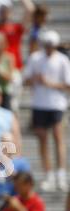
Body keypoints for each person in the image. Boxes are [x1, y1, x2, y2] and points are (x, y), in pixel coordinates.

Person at [24, 30, 70, 191]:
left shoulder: (63, 60)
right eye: (47, 45)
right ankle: (48, 174)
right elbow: (26, 80)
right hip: (40, 104)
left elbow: (68, 85)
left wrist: (49, 83)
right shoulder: (35, 58)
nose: (49, 48)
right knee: (42, 139)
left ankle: (61, 174)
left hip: (57, 104)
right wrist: (35, 79)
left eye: (51, 45)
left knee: (58, 137)